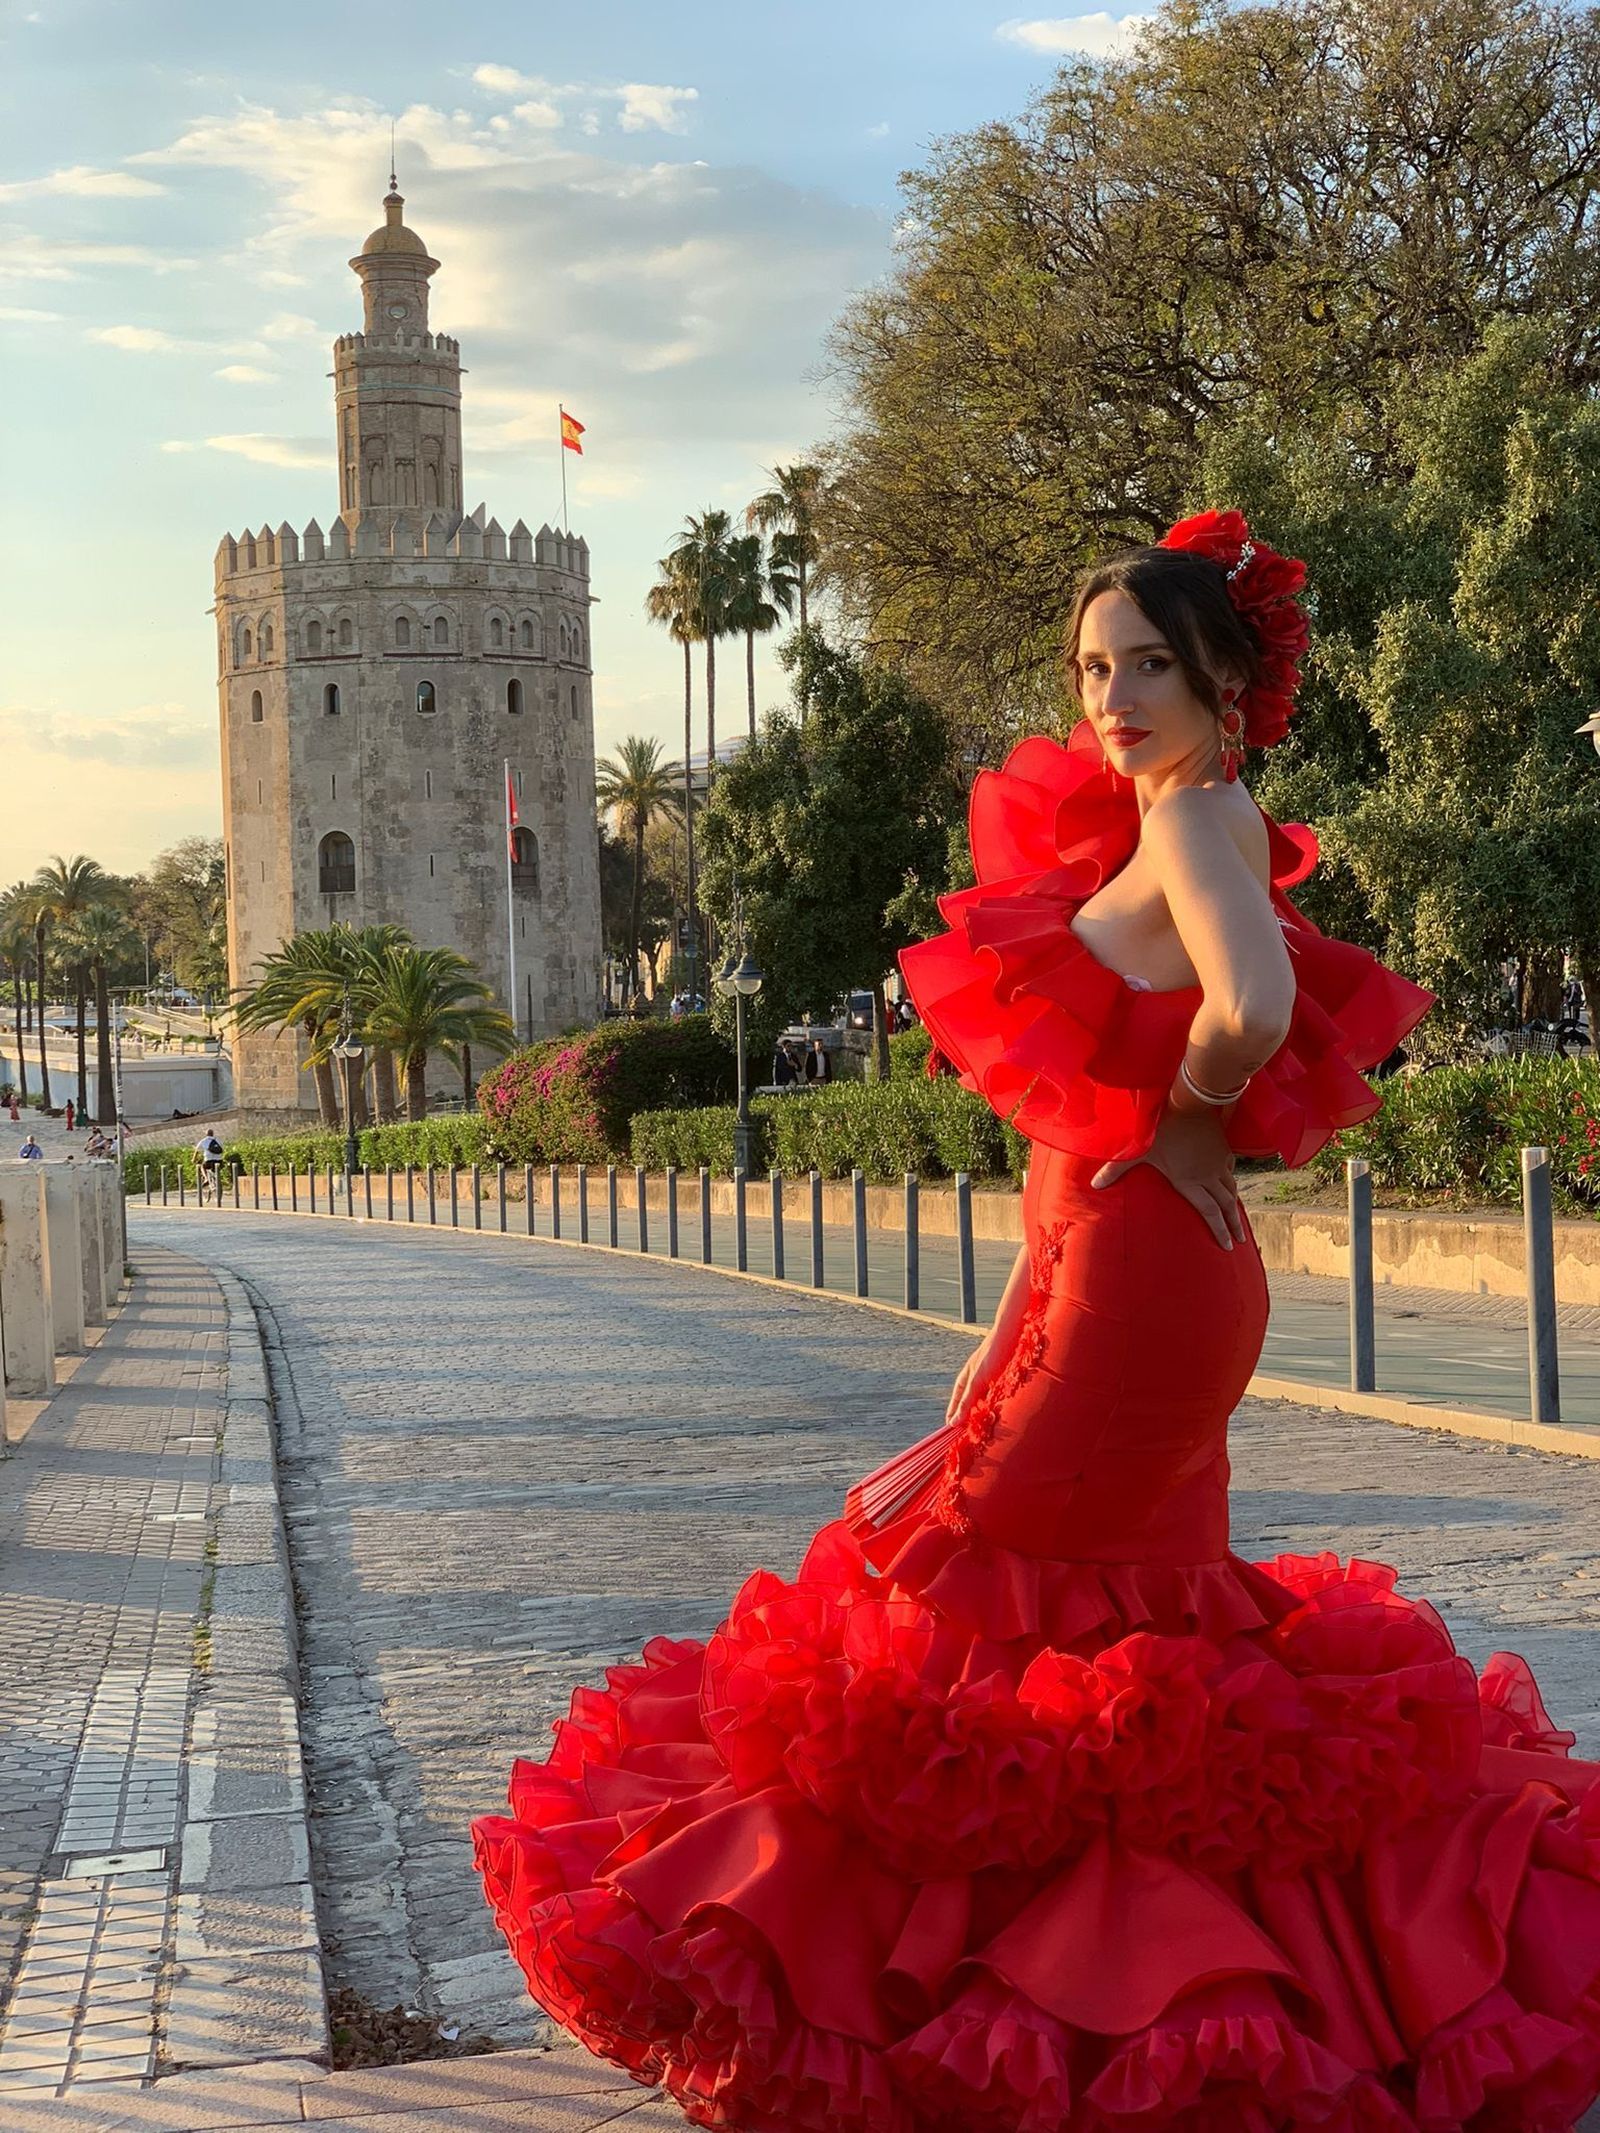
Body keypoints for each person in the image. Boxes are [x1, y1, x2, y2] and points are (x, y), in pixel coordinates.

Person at [472, 511, 1600, 2131]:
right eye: (1092, 665)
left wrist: (1192, 1115)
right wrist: (1006, 1325)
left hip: (1146, 1281)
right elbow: (1085, 1115)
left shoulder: (1203, 815)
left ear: (1228, 674)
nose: (1115, 692)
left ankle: (1017, 2016)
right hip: (1109, 1273)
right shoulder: (1163, 817)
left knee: (1001, 1614)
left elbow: (1255, 1007)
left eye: (1150, 660)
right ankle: (1126, 2009)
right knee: (1102, 1644)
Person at [194, 1129, 225, 1198]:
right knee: (215, 1171)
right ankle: (216, 1181)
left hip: (208, 1160)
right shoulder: (218, 1140)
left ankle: (206, 1178)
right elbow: (222, 1149)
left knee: (202, 1166)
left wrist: (193, 1159)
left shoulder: (203, 1141)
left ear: (206, 1134)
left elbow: (197, 1150)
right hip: (219, 1161)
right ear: (213, 1134)